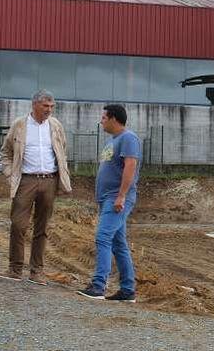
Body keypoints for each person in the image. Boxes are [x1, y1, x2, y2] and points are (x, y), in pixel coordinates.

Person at [0, 90, 71, 285]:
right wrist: (9, 174)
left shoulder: (55, 126)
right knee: (18, 224)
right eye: (45, 106)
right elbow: (5, 152)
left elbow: (62, 150)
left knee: (42, 227)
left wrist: (60, 176)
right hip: (26, 181)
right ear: (34, 105)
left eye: (52, 106)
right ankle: (14, 269)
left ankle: (36, 271)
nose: (49, 110)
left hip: (49, 181)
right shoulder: (20, 125)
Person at [78, 104, 142, 303]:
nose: (101, 121)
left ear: (114, 119)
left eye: (104, 117)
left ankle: (98, 286)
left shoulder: (128, 138)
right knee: (118, 243)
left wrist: (121, 196)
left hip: (116, 198)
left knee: (103, 237)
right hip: (108, 198)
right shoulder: (112, 141)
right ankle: (127, 290)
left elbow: (130, 165)